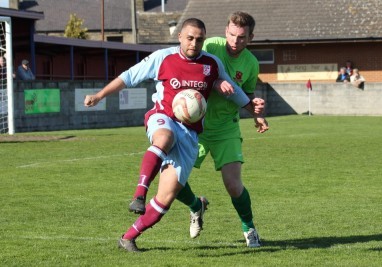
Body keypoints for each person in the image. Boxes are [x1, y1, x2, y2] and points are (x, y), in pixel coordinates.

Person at [84, 18, 268, 252]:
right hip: (163, 118)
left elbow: (234, 91)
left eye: (199, 39)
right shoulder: (164, 57)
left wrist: (255, 109)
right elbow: (129, 76)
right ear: (180, 36)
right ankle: (139, 194)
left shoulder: (211, 63)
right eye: (189, 38)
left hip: (192, 134)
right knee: (164, 138)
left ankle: (128, 238)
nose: (194, 43)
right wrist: (99, 96)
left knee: (166, 197)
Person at [174, 11, 268, 248]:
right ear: (226, 31)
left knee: (233, 185)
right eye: (232, 35)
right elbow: (190, 66)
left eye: (242, 37)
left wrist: (256, 114)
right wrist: (214, 82)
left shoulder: (251, 63)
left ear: (251, 37)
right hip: (195, 128)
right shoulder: (210, 46)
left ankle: (249, 228)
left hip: (226, 128)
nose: (236, 41)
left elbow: (246, 95)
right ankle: (197, 205)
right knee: (173, 182)